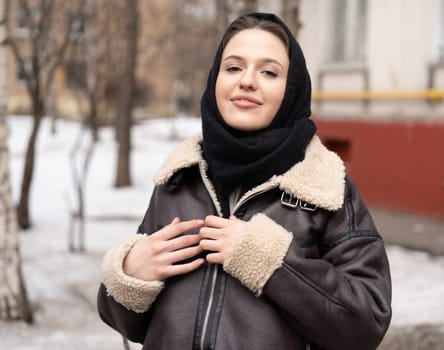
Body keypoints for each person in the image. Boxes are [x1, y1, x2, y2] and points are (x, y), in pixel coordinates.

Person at [97, 12, 392, 350]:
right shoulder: (179, 178)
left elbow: (366, 324)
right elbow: (129, 324)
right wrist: (130, 275)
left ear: (292, 88)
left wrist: (270, 262)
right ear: (215, 80)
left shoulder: (325, 189)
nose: (247, 81)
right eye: (234, 67)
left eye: (269, 72)